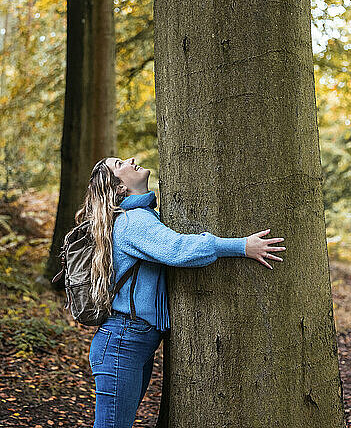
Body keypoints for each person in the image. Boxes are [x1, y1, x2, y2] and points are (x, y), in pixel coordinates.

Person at [79, 156, 286, 428]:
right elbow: (179, 250)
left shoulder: (144, 217)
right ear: (119, 188)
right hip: (122, 342)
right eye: (119, 164)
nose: (130, 160)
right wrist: (241, 246)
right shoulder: (134, 222)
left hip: (131, 341)